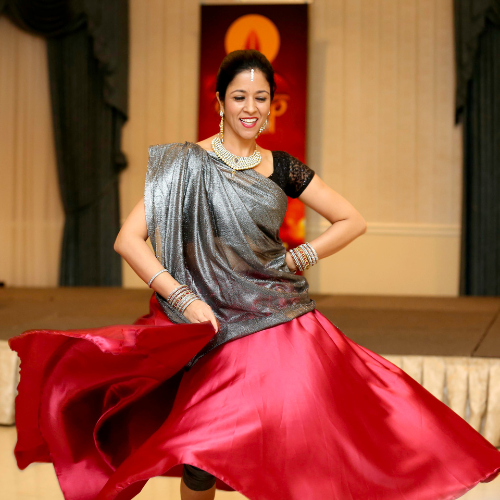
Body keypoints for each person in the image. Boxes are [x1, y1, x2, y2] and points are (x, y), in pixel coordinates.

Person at [8, 49, 500, 500]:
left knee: (311, 441)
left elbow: (353, 220)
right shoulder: (184, 166)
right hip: (213, 331)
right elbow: (127, 240)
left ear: (271, 105)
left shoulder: (282, 167)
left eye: (261, 97)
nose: (250, 107)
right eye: (239, 96)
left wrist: (299, 257)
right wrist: (182, 298)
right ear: (219, 100)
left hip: (278, 323)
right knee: (198, 456)